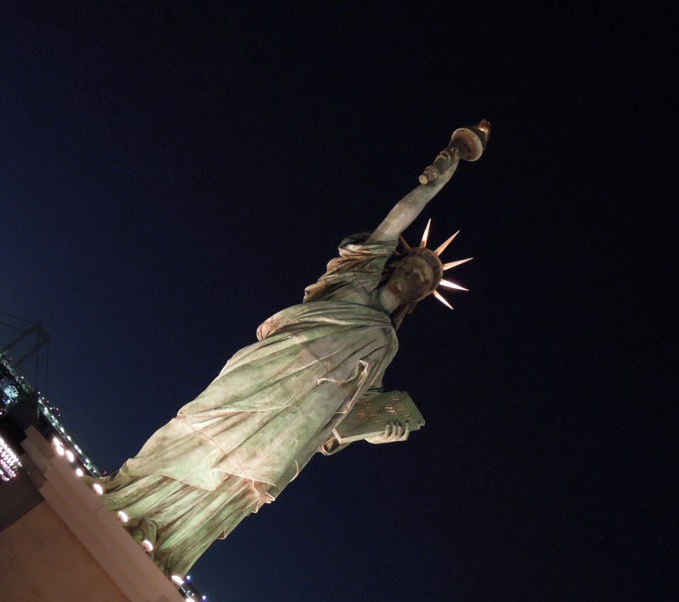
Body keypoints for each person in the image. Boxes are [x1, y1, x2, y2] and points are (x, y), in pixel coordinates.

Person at [97, 124, 488, 577]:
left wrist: (380, 431)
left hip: (301, 416)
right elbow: (395, 221)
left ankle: (168, 541)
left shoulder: (385, 341)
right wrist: (442, 173)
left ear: (420, 297)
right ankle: (128, 497)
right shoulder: (354, 283)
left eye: (423, 280)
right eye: (413, 265)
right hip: (269, 370)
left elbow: (353, 410)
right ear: (394, 264)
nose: (415, 276)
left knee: (238, 479)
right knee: (195, 431)